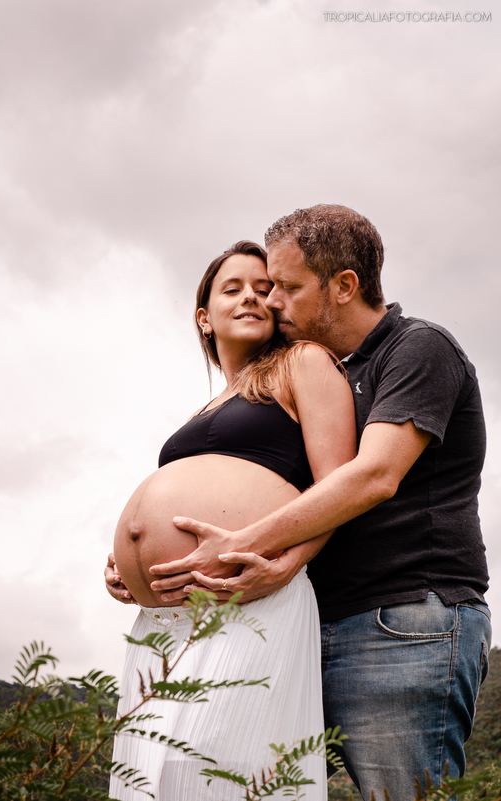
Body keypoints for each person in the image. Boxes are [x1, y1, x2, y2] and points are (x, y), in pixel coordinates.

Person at [144, 205, 491, 799]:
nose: (272, 300)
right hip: (314, 619)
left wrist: (243, 544)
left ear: (344, 286)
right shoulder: (328, 372)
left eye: (286, 286)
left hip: (399, 618)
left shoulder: (417, 348)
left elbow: (374, 475)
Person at [108, 240, 356, 800]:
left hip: (249, 594)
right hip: (166, 614)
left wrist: (287, 565)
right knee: (156, 774)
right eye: (233, 287)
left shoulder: (303, 364)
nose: (251, 296)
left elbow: (340, 486)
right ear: (204, 317)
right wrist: (127, 559)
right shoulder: (207, 407)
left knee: (224, 765)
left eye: (264, 288)